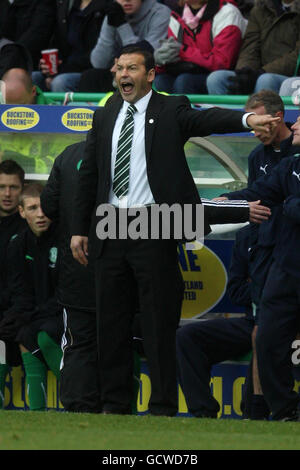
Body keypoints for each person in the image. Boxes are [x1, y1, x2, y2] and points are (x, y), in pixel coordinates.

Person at [70, 44, 279, 416]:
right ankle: (114, 406)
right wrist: (78, 229)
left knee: (158, 323)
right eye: (119, 68)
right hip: (110, 224)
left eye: (132, 68)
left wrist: (247, 121)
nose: (123, 75)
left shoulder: (171, 108)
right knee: (112, 325)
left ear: (150, 75)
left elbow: (208, 119)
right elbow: (90, 176)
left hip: (156, 222)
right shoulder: (105, 114)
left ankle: (162, 406)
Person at [215, 90, 300, 419]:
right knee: (266, 337)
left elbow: (289, 205)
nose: (295, 127)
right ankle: (282, 408)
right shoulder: (290, 166)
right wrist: (227, 201)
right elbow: (260, 193)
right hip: (284, 265)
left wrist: (290, 205)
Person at [176, 224, 254, 418]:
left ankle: (254, 412)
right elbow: (236, 291)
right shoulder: (248, 235)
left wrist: (262, 284)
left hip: (283, 321)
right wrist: (267, 286)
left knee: (265, 337)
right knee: (186, 336)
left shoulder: (290, 236)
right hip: (252, 321)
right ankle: (203, 412)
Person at [0, 183, 64, 411]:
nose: (40, 214)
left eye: (44, 207)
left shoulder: (64, 239)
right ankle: (36, 410)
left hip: (61, 312)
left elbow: (66, 291)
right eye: (33, 208)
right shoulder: (17, 245)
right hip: (33, 313)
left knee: (43, 335)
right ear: (22, 211)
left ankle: (76, 397)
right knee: (8, 334)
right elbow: (19, 292)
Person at [207, 0, 300, 95]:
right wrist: (245, 71)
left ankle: (262, 109)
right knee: (216, 78)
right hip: (260, 72)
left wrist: (261, 72)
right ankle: (225, 110)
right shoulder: (261, 8)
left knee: (266, 80)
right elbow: (250, 47)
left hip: (291, 75)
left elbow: (296, 57)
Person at [153, 0, 247, 94]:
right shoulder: (176, 15)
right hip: (188, 72)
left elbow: (222, 62)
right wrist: (160, 62)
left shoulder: (228, 12)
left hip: (220, 77)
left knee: (184, 81)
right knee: (160, 81)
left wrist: (183, 51)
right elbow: (172, 61)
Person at [78, 0, 171, 92]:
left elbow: (145, 56)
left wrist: (122, 26)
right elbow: (99, 63)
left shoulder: (160, 13)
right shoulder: (114, 12)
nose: (126, 0)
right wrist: (111, 24)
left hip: (149, 72)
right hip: (118, 71)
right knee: (78, 78)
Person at [31, 0, 107, 93]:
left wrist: (61, 70)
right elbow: (58, 42)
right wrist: (47, 66)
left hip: (90, 72)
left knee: (61, 82)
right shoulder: (67, 5)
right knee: (31, 78)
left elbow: (96, 55)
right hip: (65, 68)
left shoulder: (106, 7)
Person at [0, 160, 26, 409]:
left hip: (18, 311)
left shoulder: (28, 229)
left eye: (13, 187)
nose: (7, 194)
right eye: (1, 187)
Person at [0, 0, 55, 70]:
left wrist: (11, 53)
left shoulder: (43, 4)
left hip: (27, 60)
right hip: (9, 52)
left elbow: (36, 34)